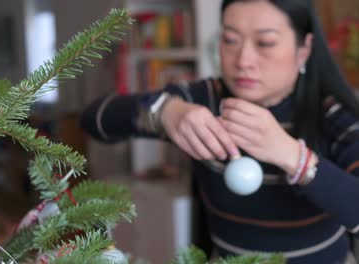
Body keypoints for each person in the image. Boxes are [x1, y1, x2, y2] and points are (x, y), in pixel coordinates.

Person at [80, 0, 359, 263]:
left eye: (265, 43)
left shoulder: (330, 113)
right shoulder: (205, 101)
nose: (243, 60)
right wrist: (165, 112)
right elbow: (94, 119)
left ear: (304, 49)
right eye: (230, 40)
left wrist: (291, 155)